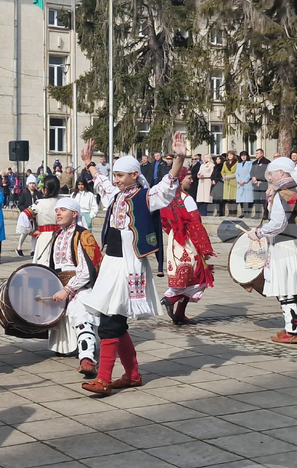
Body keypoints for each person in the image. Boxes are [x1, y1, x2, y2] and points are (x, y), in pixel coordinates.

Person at [77, 133, 187, 396]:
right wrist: (89, 164)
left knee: (110, 322)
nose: (116, 179)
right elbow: (102, 184)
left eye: (121, 175)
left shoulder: (147, 196)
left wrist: (179, 158)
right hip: (111, 264)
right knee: (114, 320)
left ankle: (104, 378)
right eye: (115, 175)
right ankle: (133, 374)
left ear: (135, 175)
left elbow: (168, 185)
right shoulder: (116, 194)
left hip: (128, 267)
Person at [244, 157, 297, 344]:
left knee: (286, 289)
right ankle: (291, 327)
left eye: (272, 173)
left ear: (282, 173)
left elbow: (278, 223)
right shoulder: (295, 189)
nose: (269, 176)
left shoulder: (284, 193)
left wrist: (258, 233)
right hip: (296, 240)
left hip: (286, 244)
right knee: (288, 289)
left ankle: (292, 332)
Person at [46, 199, 102, 376]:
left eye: (63, 210)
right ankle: (64, 346)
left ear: (75, 214)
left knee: (81, 312)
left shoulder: (83, 235)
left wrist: (67, 290)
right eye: (57, 210)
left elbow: (86, 271)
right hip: (60, 285)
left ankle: (87, 358)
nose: (58, 213)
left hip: (80, 286)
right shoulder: (57, 236)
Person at [160, 171, 215, 325]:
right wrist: (205, 248)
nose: (192, 180)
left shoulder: (167, 197)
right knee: (198, 277)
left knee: (185, 278)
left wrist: (172, 233)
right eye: (189, 178)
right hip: (188, 239)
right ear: (180, 179)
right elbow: (195, 224)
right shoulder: (186, 199)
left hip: (174, 240)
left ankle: (179, 313)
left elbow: (164, 221)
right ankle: (171, 299)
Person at [18, 176, 61, 266]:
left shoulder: (39, 203)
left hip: (44, 237)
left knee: (44, 265)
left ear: (45, 190)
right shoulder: (63, 202)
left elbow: (23, 216)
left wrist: (31, 231)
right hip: (62, 236)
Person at [15, 179, 40, 256]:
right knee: (25, 232)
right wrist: (26, 211)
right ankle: (19, 247)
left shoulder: (38, 193)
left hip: (35, 215)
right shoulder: (24, 193)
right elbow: (20, 204)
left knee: (34, 232)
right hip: (27, 215)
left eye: (33, 183)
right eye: (30, 183)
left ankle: (33, 250)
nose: (32, 185)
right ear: (28, 184)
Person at [250, 149, 271, 217]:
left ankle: (265, 214)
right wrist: (253, 177)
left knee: (264, 199)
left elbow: (266, 173)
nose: (256, 155)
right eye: (256, 153)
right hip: (255, 183)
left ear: (262, 154)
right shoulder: (254, 162)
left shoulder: (266, 162)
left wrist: (258, 178)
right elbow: (251, 171)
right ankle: (257, 214)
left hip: (263, 183)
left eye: (258, 153)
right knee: (256, 199)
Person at [235, 151, 254, 217]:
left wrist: (244, 180)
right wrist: (239, 180)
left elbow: (250, 173)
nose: (243, 157)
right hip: (240, 183)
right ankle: (243, 212)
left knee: (247, 198)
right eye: (242, 156)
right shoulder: (239, 164)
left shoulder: (250, 163)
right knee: (241, 198)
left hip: (247, 183)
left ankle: (248, 213)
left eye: (244, 156)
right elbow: (236, 173)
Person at [221, 151, 239, 216]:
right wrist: (224, 176)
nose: (230, 156)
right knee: (228, 198)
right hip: (227, 181)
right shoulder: (225, 163)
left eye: (231, 155)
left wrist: (230, 176)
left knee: (233, 197)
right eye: (228, 155)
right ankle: (229, 212)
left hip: (233, 181)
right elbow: (222, 171)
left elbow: (237, 172)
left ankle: (234, 212)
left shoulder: (237, 163)